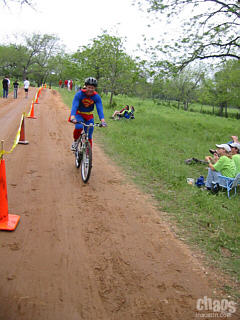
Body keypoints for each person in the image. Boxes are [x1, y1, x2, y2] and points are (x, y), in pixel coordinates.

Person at [69, 77, 107, 151]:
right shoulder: (79, 94)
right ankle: (75, 141)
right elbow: (75, 106)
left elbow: (99, 109)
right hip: (78, 114)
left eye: (92, 88)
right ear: (85, 86)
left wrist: (102, 120)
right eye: (89, 87)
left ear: (95, 88)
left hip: (89, 116)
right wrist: (73, 117)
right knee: (79, 127)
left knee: (89, 135)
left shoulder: (96, 97)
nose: (90, 89)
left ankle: (87, 155)